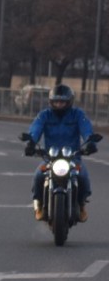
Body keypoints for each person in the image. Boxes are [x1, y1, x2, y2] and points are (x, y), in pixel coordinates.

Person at [28, 84, 94, 222]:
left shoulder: (78, 114)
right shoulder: (44, 115)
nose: (59, 104)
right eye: (56, 101)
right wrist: (31, 142)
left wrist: (90, 142)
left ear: (69, 101)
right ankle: (38, 204)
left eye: (62, 101)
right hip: (49, 158)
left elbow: (86, 128)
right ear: (51, 101)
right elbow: (36, 128)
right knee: (38, 175)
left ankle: (81, 205)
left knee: (82, 175)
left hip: (72, 158)